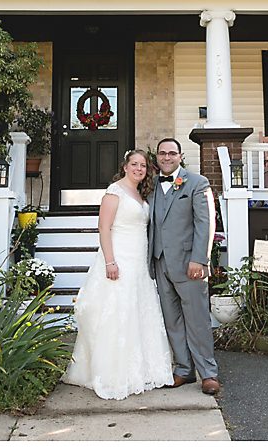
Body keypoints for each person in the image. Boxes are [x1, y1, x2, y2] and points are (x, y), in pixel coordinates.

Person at [63, 150, 175, 400]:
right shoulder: (114, 192)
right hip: (120, 259)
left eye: (143, 165)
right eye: (134, 164)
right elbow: (104, 228)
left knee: (137, 311)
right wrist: (110, 261)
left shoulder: (141, 193)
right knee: (117, 312)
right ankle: (114, 374)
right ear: (125, 166)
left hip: (139, 262)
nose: (139, 169)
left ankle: (142, 370)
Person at [150, 138, 221, 395]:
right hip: (160, 262)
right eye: (162, 153)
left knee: (197, 320)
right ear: (157, 157)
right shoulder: (151, 185)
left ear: (180, 156)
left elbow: (205, 223)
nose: (166, 157)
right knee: (172, 320)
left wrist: (199, 259)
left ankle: (208, 373)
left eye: (171, 153)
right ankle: (183, 369)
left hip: (189, 263)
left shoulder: (197, 183)